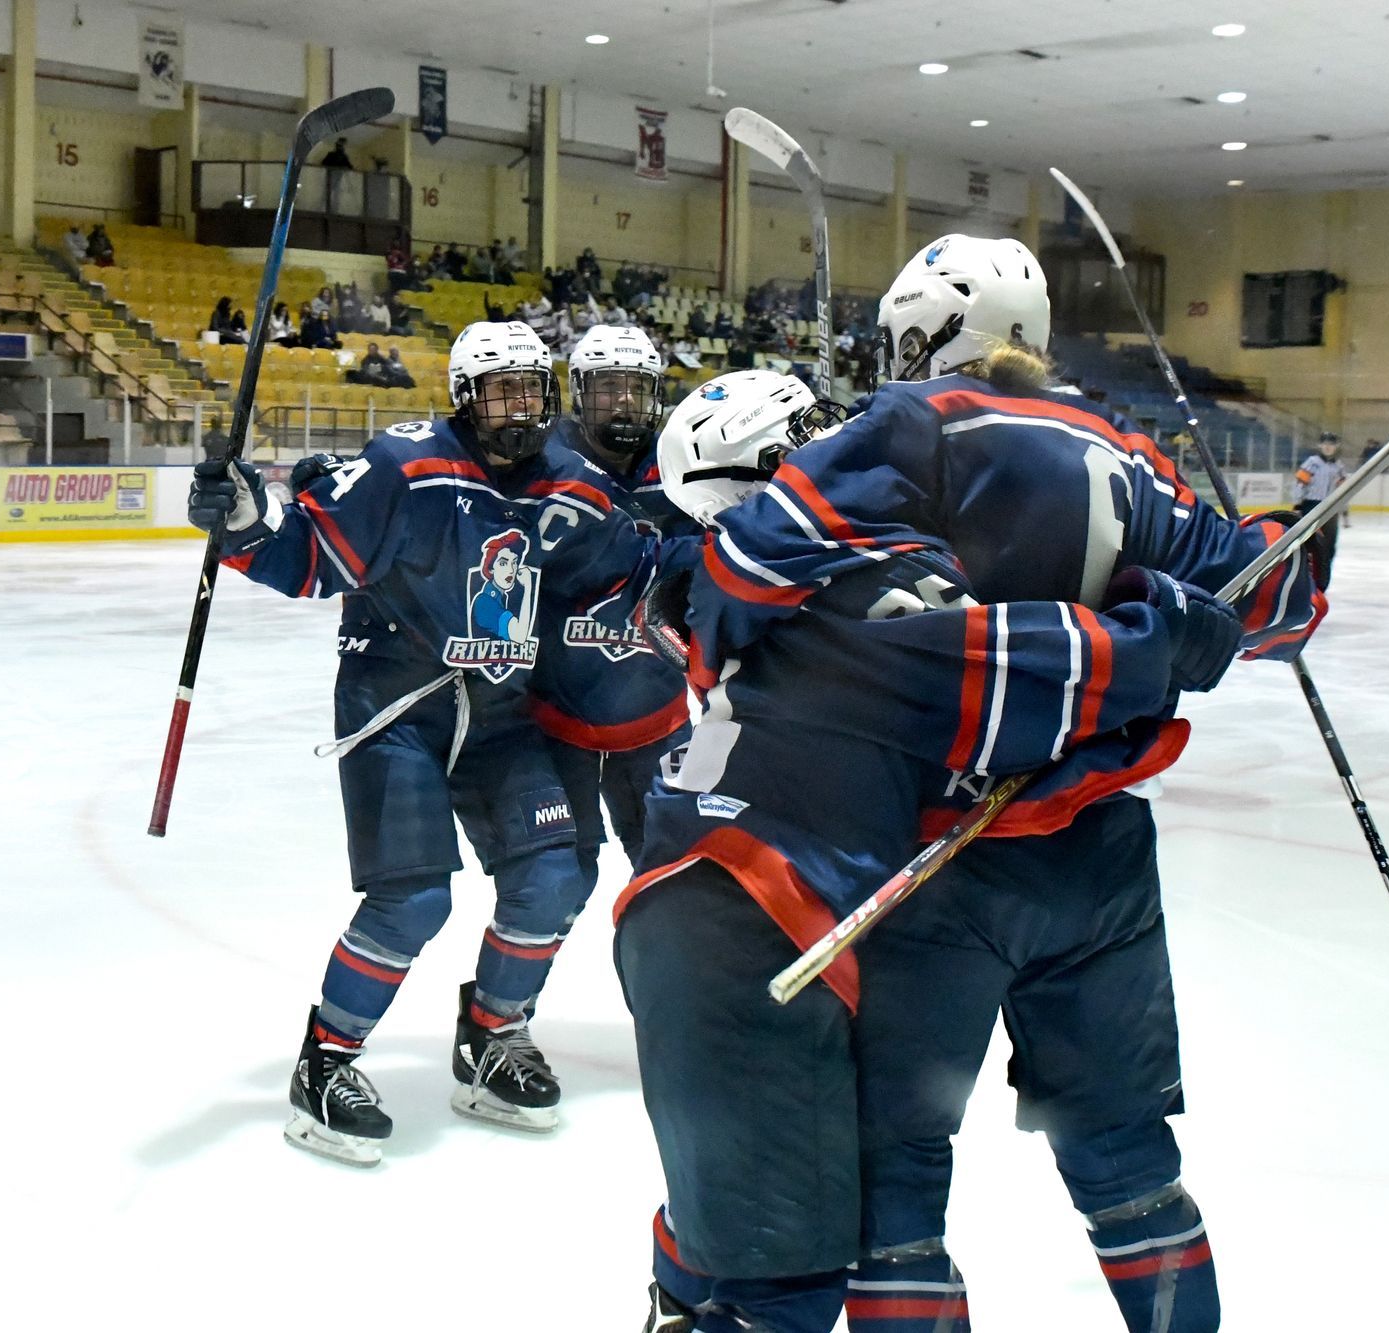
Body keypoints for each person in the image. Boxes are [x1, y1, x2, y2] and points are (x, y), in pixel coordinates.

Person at [629, 235, 1330, 1333]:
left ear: (922, 331)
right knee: (1125, 1158)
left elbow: (748, 568)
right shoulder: (1128, 452)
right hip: (1096, 862)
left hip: (930, 857)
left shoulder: (912, 426)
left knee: (897, 1183)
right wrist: (1280, 542)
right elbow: (1272, 603)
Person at [186, 320, 681, 1166]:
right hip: (396, 711)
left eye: (532, 389)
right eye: (501, 390)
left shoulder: (575, 484)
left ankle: (493, 1034)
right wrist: (243, 520)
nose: (519, 406)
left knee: (556, 874)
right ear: (465, 397)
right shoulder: (404, 466)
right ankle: (328, 1058)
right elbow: (306, 557)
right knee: (413, 900)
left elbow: (643, 564)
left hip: (500, 718)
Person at [533, 325, 694, 913]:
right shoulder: (539, 462)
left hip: (659, 714)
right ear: (578, 391)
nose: (623, 400)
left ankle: (670, 1007)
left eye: (636, 387)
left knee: (675, 887)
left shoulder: (687, 459)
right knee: (553, 889)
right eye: (608, 387)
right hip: (554, 714)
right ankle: (500, 1006)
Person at [1296, 431, 1351, 544]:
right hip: (1311, 505)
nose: (1327, 447)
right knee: (1309, 541)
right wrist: (1297, 505)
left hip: (1330, 508)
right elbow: (1299, 485)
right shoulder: (1311, 463)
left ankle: (1327, 562)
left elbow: (1343, 491)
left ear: (1336, 446)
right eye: (1325, 443)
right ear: (1319, 445)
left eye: (1331, 444)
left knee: (1329, 542)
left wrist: (1344, 512)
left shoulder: (1339, 467)